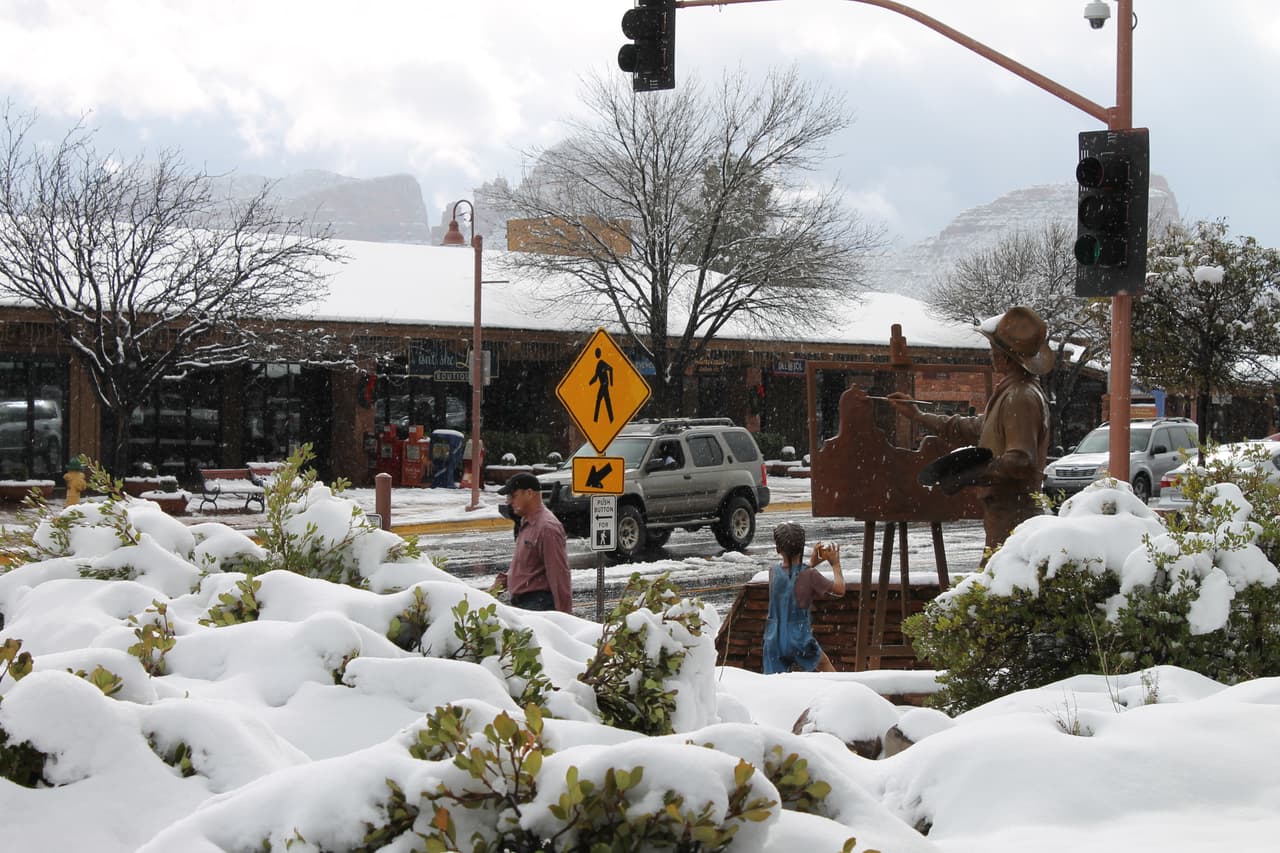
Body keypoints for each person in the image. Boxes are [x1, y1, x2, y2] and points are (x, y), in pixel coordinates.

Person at [885, 305, 1052, 559]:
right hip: (1005, 512)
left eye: (993, 351)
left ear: (1006, 358)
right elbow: (972, 427)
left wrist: (971, 473)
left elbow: (1021, 461)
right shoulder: (1011, 392)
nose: (991, 356)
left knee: (1002, 586)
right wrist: (918, 415)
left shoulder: (1020, 396)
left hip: (1014, 513)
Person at [763, 521, 846, 674]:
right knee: (824, 665)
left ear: (777, 549)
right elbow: (840, 589)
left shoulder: (773, 572)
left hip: (774, 637)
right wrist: (835, 564)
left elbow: (792, 581)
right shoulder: (810, 575)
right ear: (802, 547)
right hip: (799, 637)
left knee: (775, 682)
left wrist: (811, 563)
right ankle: (842, 691)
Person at [489, 472, 572, 613]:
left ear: (529, 493)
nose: (509, 501)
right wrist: (493, 591)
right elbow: (524, 567)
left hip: (538, 605)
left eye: (513, 496)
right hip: (525, 604)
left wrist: (565, 617)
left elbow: (559, 575)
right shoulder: (526, 522)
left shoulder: (547, 527)